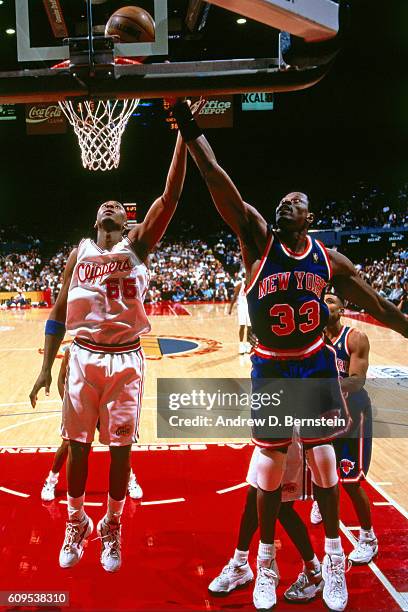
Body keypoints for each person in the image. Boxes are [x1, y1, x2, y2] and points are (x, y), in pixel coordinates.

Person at [172, 100, 408, 611]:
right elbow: (217, 178)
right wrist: (188, 126)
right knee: (268, 469)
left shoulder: (329, 260)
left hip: (316, 361)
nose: (285, 203)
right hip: (271, 368)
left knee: (325, 461)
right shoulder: (256, 239)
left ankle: (332, 561)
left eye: (295, 201)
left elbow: (383, 306)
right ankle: (265, 564)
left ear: (310, 217)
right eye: (281, 200)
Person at [30, 128, 189, 574]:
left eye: (118, 206)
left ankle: (113, 525)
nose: (109, 205)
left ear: (127, 220)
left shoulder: (137, 245)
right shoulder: (78, 252)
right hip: (81, 356)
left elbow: (170, 196)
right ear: (94, 219)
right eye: (104, 205)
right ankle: (77, 520)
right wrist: (46, 367)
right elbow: (58, 311)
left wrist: (181, 136)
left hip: (125, 359)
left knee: (120, 453)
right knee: (77, 448)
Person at [310, 292, 377, 565]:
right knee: (317, 470)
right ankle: (320, 501)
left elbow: (356, 381)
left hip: (353, 417)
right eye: (322, 300)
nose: (326, 305)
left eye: (331, 301)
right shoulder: (314, 340)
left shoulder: (355, 339)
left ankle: (369, 537)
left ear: (343, 308)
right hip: (326, 415)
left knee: (350, 481)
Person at [41, 348, 143, 502]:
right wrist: (67, 403)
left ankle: (130, 480)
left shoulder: (109, 353)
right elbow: (61, 379)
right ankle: (51, 481)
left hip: (103, 405)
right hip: (81, 404)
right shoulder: (72, 351)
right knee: (68, 443)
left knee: (117, 445)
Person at [229, 274, 252, 354]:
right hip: (241, 306)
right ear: (245, 277)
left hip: (249, 306)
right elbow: (234, 297)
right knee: (242, 325)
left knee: (250, 327)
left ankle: (248, 344)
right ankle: (241, 344)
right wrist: (230, 308)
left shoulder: (252, 284)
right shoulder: (239, 285)